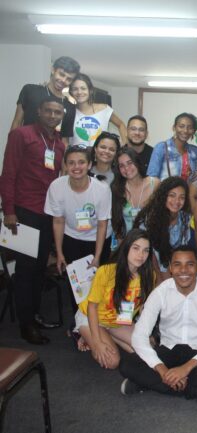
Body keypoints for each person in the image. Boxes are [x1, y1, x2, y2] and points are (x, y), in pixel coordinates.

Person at [119, 245, 197, 406]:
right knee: (126, 363)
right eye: (177, 264)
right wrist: (162, 369)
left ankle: (147, 384)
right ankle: (196, 391)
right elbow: (139, 336)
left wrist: (186, 368)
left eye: (190, 264)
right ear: (170, 268)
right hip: (167, 352)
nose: (183, 270)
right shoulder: (160, 292)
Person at [0, 96, 66, 344]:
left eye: (57, 112)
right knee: (26, 270)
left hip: (47, 213)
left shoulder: (59, 144)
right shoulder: (21, 135)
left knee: (39, 269)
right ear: (39, 111)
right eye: (48, 110)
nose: (52, 115)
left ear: (62, 115)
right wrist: (9, 210)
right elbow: (8, 174)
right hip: (24, 211)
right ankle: (25, 324)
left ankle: (34, 315)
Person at [74, 229, 155, 367]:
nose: (141, 255)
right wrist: (97, 342)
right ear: (126, 248)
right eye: (136, 248)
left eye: (145, 250)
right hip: (92, 317)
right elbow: (92, 307)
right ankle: (86, 332)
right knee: (112, 362)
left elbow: (142, 307)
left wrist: (144, 332)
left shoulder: (149, 275)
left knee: (148, 349)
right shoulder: (106, 272)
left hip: (119, 320)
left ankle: (107, 335)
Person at [46, 145, 112, 274]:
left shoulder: (102, 189)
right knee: (74, 279)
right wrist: (59, 253)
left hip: (97, 238)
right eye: (71, 163)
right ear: (65, 166)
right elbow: (58, 221)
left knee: (97, 280)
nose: (76, 167)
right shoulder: (56, 186)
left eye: (81, 162)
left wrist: (97, 257)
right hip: (71, 236)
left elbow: (102, 224)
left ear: (89, 165)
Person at [134, 177, 191, 280]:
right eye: (172, 195)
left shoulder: (185, 217)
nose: (177, 201)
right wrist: (159, 276)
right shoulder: (149, 220)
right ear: (164, 196)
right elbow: (149, 253)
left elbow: (183, 246)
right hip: (149, 264)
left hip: (173, 263)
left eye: (181, 197)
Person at [10, 56, 79, 141]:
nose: (63, 80)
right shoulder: (30, 90)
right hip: (24, 146)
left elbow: (64, 140)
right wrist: (11, 146)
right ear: (53, 70)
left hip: (53, 148)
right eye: (61, 74)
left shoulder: (70, 106)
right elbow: (17, 122)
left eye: (69, 79)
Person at [111, 147, 159, 243]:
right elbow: (116, 222)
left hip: (153, 242)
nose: (126, 168)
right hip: (127, 243)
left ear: (137, 162)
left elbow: (162, 217)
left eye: (130, 163)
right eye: (121, 166)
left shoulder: (155, 184)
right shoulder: (117, 189)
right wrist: (123, 248)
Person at [68, 73, 128, 148]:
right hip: (77, 154)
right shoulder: (68, 113)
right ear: (71, 92)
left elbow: (121, 124)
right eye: (75, 89)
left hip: (101, 154)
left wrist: (125, 145)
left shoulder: (104, 109)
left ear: (90, 90)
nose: (79, 92)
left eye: (83, 88)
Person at [147, 113, 197, 181]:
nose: (185, 130)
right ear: (174, 127)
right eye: (181, 126)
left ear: (193, 131)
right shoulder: (161, 147)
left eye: (190, 128)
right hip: (165, 188)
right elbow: (152, 178)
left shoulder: (196, 151)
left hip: (188, 188)